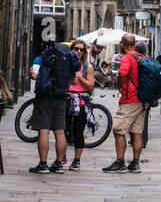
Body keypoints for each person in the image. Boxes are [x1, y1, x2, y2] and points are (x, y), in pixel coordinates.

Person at [28, 39, 77, 174]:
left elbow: (34, 75)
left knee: (43, 129)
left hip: (45, 97)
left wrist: (31, 72)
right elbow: (75, 79)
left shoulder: (42, 57)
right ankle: (59, 163)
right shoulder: (67, 60)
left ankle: (43, 164)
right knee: (59, 130)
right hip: (61, 97)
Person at [102, 34, 147, 173]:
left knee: (118, 129)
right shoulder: (141, 57)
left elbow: (123, 73)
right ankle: (135, 163)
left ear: (122, 44)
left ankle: (120, 162)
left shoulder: (127, 58)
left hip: (130, 100)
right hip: (142, 100)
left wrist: (119, 84)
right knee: (137, 131)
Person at [65, 39, 96, 171]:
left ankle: (77, 160)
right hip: (66, 99)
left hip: (82, 101)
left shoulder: (88, 67)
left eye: (81, 49)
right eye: (75, 48)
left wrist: (80, 77)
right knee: (64, 131)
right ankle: (61, 158)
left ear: (84, 52)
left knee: (78, 132)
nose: (78, 51)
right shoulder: (65, 64)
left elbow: (90, 85)